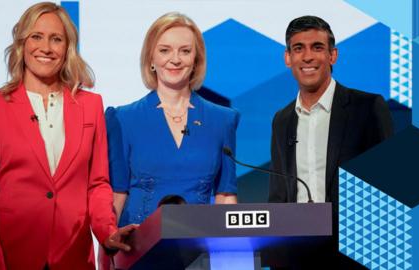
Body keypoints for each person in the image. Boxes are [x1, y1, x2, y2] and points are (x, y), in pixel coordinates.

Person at [0, 2, 136, 269]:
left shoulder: (91, 106)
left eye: (56, 39)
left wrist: (107, 231)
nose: (45, 48)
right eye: (36, 36)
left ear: (67, 48)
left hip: (73, 257)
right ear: (22, 44)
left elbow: (97, 183)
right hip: (14, 257)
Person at [268, 15, 393, 268]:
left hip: (355, 254)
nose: (308, 57)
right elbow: (279, 196)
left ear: (333, 55)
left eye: (317, 47)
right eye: (298, 48)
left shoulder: (367, 108)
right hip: (296, 254)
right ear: (288, 58)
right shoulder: (282, 120)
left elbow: (388, 188)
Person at [106, 11, 239, 229]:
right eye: (165, 50)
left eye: (185, 51)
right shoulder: (122, 119)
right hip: (138, 249)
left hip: (201, 247)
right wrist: (108, 250)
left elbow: (225, 196)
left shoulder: (223, 120)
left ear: (196, 60)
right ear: (151, 58)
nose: (175, 59)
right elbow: (117, 194)